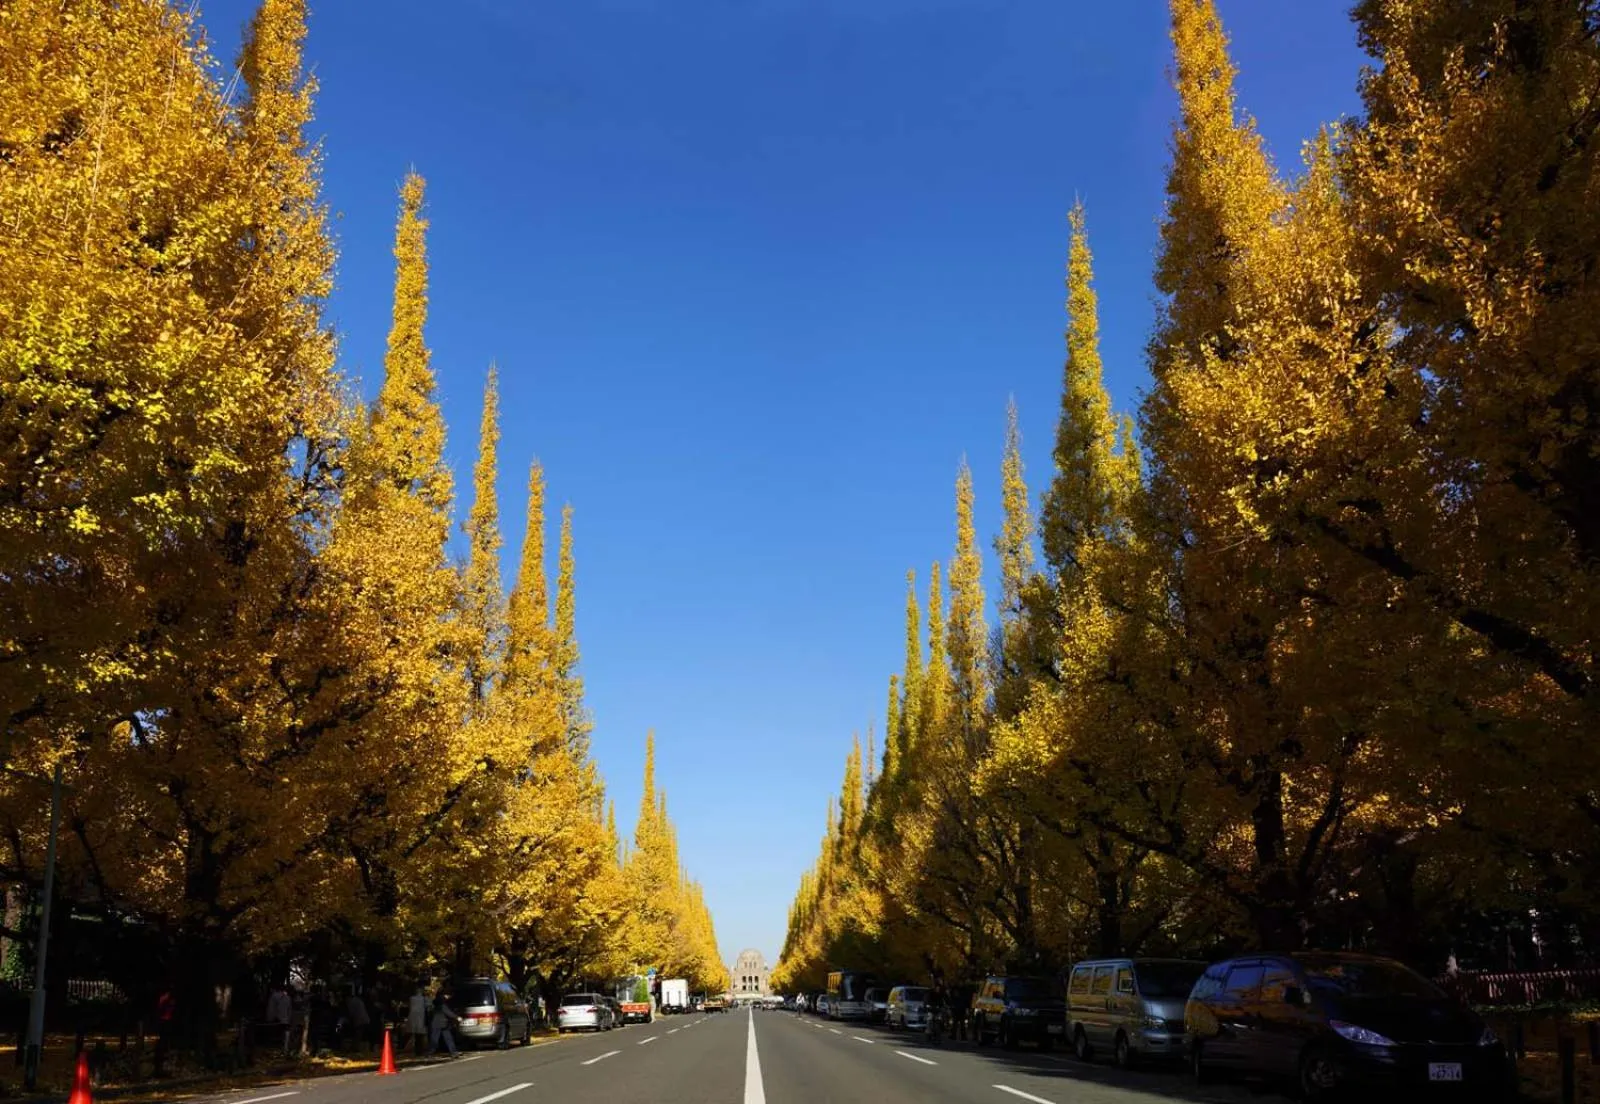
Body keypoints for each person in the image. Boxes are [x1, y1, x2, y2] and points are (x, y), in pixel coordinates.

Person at [429, 991, 459, 1058]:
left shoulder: (434, 1004)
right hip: (443, 1023)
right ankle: (453, 1052)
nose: (447, 997)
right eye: (445, 995)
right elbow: (448, 1013)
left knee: (434, 1038)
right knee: (448, 1038)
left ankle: (430, 1052)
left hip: (436, 1023)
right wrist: (457, 1017)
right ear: (441, 996)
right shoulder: (443, 1005)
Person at [408, 983, 429, 1056]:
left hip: (413, 1018)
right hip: (421, 1018)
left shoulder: (412, 998)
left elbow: (410, 1007)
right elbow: (429, 1005)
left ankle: (417, 1051)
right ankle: (420, 1051)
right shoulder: (424, 999)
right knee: (420, 1036)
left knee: (416, 1035)